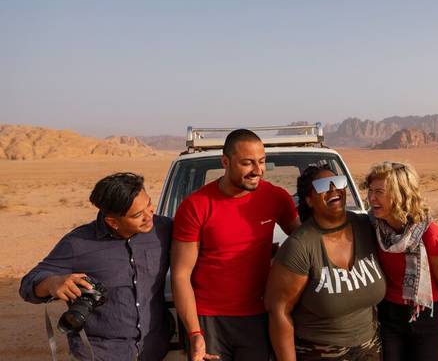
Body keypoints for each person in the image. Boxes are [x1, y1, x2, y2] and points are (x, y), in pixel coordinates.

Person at [171, 129, 301, 361]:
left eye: (261, 162)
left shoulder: (276, 198)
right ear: (225, 162)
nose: (258, 170)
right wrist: (194, 333)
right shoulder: (196, 206)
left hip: (259, 316)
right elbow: (181, 274)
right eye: (247, 163)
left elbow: (303, 244)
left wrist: (282, 259)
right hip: (209, 320)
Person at [19, 172, 173, 361]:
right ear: (113, 222)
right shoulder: (77, 243)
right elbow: (27, 285)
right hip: (100, 353)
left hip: (156, 347)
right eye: (138, 215)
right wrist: (52, 282)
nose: (149, 216)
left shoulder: (164, 229)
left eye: (149, 205)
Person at [265, 164, 386, 361]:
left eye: (338, 182)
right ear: (309, 200)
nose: (333, 188)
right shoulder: (300, 246)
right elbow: (279, 310)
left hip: (370, 348)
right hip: (320, 352)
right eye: (322, 185)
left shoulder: (365, 227)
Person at [362, 161, 438, 360]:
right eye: (370, 191)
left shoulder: (430, 234)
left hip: (427, 318)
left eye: (379, 192)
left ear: (401, 194)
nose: (372, 198)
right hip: (389, 316)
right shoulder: (374, 227)